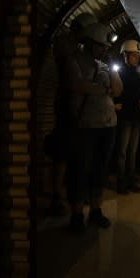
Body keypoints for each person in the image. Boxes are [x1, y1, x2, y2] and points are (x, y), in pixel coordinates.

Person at [64, 22, 123, 233]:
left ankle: (96, 211)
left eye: (105, 47)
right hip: (85, 125)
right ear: (87, 43)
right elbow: (76, 85)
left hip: (108, 124)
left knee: (100, 169)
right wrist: (103, 88)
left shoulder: (107, 64)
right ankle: (77, 215)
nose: (104, 50)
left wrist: (112, 69)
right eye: (100, 46)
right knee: (80, 169)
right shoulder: (74, 60)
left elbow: (117, 89)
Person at [47, 12, 98, 216]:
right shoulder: (63, 46)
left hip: (77, 107)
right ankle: (56, 195)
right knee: (61, 153)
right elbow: (73, 79)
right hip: (65, 106)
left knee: (76, 152)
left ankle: (72, 191)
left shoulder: (77, 48)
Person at [113, 39, 140, 194]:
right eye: (134, 55)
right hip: (125, 117)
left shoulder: (138, 73)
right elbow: (114, 92)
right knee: (122, 151)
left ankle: (130, 181)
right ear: (125, 55)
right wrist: (116, 104)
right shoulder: (119, 72)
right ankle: (121, 183)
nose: (137, 58)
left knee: (132, 152)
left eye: (138, 56)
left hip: (135, 117)